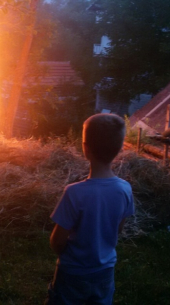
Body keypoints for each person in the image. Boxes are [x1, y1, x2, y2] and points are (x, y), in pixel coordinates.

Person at [45, 113, 135, 305]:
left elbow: (57, 241)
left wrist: (64, 252)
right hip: (105, 270)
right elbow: (118, 229)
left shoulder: (74, 193)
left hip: (72, 272)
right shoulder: (125, 189)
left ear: (85, 149)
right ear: (119, 149)